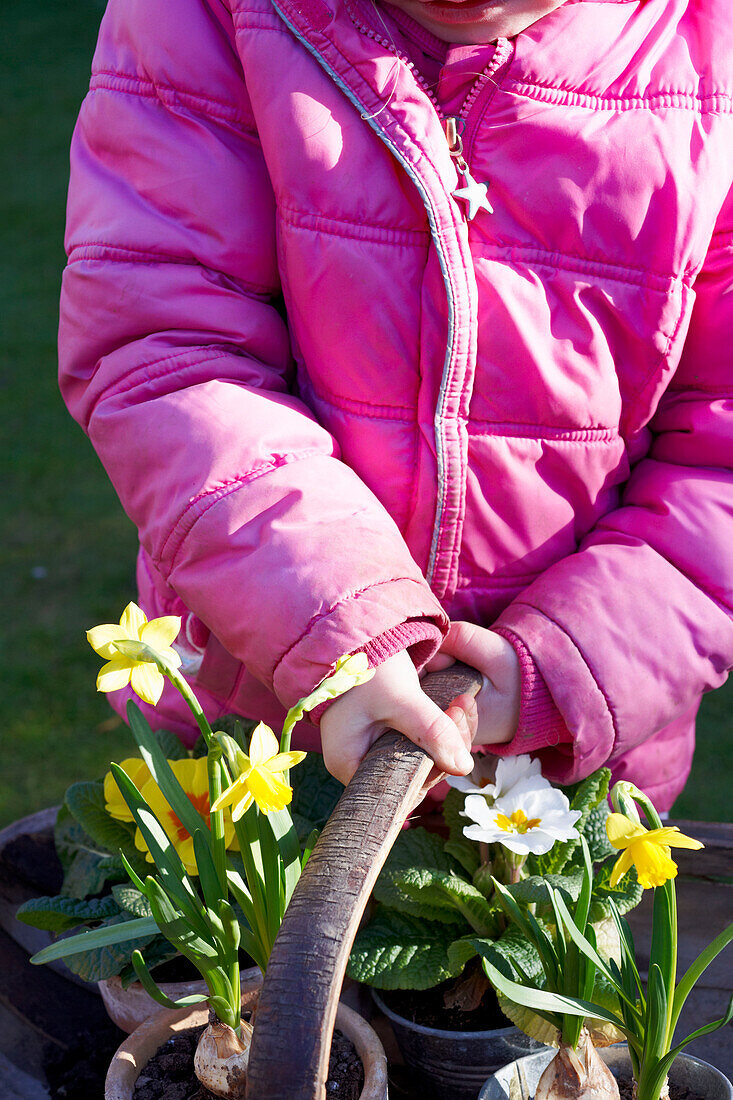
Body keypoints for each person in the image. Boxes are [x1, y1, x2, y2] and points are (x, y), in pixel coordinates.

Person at [58, 0, 733, 813]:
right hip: (261, 725)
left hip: (565, 763)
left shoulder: (710, 48)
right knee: (247, 935)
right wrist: (341, 631)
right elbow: (167, 348)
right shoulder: (199, 16)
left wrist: (572, 667)